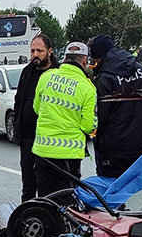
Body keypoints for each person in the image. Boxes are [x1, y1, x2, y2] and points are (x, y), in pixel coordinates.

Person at [31, 42, 97, 197]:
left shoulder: (46, 77)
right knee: (66, 201)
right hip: (68, 154)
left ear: (65, 58)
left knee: (45, 198)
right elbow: (88, 126)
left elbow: (36, 108)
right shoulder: (87, 87)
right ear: (84, 61)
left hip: (42, 150)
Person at [90, 35, 142, 178]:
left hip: (112, 150)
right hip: (138, 144)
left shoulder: (105, 79)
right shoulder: (140, 70)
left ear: (99, 57)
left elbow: (100, 117)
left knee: (110, 191)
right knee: (134, 188)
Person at [12, 34, 58, 201]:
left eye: (40, 50)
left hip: (50, 140)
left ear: (50, 51)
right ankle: (27, 218)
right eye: (32, 51)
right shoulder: (27, 72)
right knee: (28, 184)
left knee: (48, 186)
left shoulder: (57, 73)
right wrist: (18, 124)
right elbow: (19, 100)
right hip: (28, 138)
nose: (35, 55)